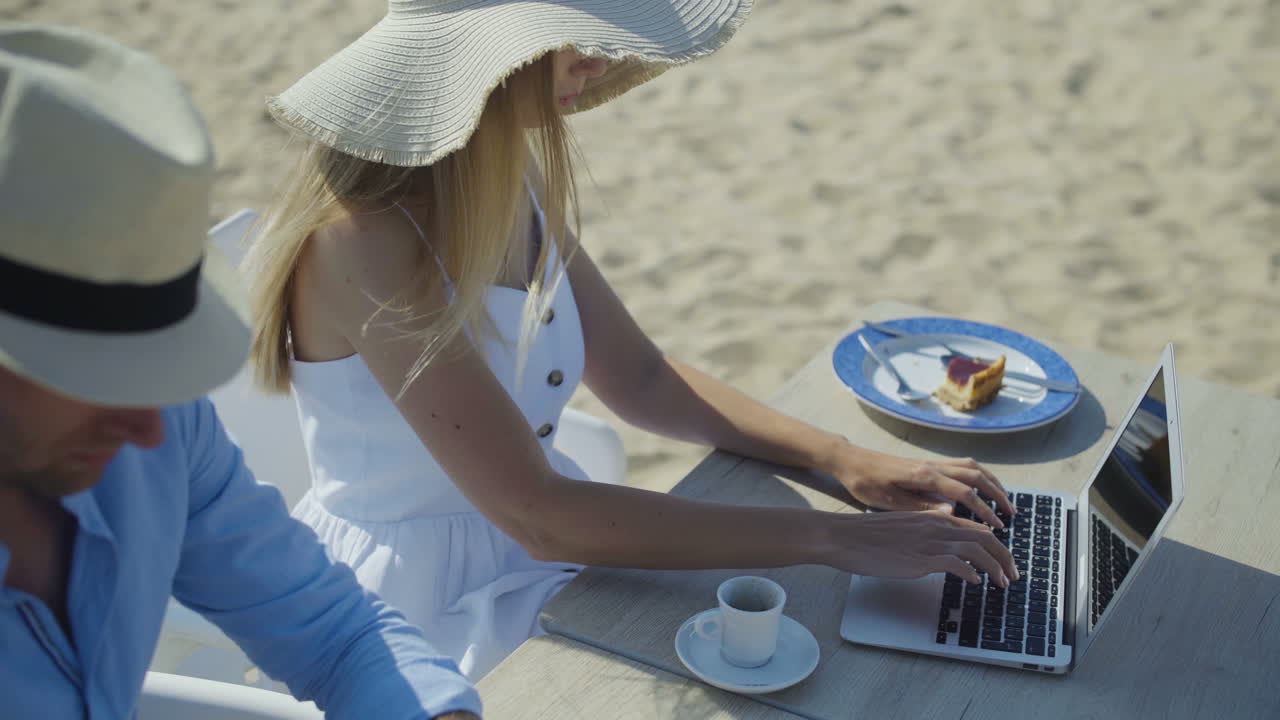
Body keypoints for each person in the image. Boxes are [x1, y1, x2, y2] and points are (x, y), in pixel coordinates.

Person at [248, 0, 1019, 680]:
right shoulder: (362, 242)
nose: (599, 56)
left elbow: (642, 378)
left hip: (556, 540)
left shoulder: (509, 176)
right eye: (570, 29)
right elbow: (536, 514)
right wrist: (835, 540)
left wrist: (842, 462)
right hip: (423, 611)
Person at [0, 23, 480, 719]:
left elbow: (335, 634)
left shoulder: (163, 425)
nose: (145, 425)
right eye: (97, 370)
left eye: (155, 364)